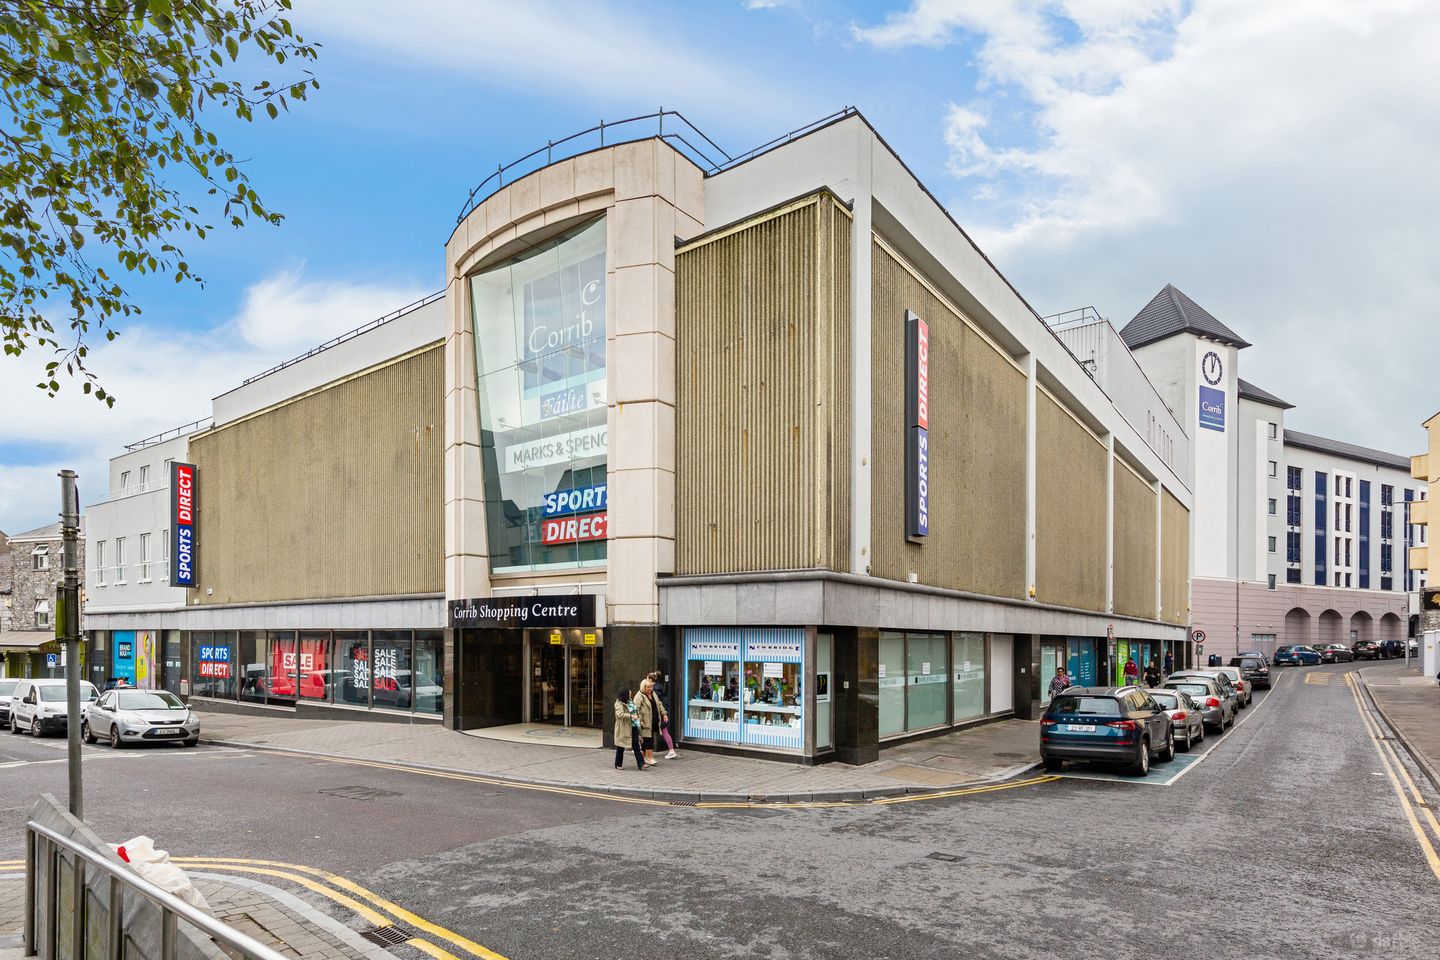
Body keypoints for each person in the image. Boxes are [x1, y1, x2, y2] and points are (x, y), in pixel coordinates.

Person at [612, 687, 645, 771]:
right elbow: (620, 714)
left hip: (633, 726)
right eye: (629, 693)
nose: (631, 694)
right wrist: (630, 716)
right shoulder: (618, 703)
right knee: (621, 746)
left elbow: (635, 711)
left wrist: (639, 720)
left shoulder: (630, 701)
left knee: (636, 745)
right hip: (623, 728)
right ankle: (618, 764)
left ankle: (641, 764)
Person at [648, 670, 678, 760]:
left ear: (650, 679)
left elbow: (654, 703)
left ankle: (642, 749)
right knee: (664, 732)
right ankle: (671, 750)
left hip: (656, 715)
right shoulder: (660, 688)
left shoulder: (652, 690)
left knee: (646, 731)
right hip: (662, 713)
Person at [634, 677, 660, 767]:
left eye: (651, 687)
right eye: (648, 687)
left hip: (653, 720)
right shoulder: (639, 696)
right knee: (648, 739)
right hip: (645, 722)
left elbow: (659, 704)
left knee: (648, 739)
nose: (650, 689)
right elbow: (636, 709)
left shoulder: (653, 694)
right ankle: (650, 758)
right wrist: (640, 720)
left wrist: (664, 714)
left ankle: (641, 760)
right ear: (643, 687)